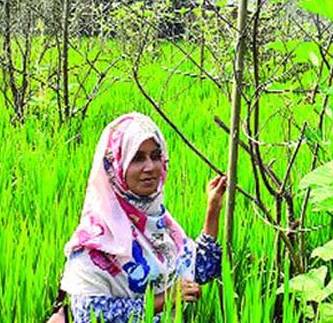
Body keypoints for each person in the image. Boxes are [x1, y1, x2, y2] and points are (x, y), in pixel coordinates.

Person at [48, 112, 227, 323]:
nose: (150, 167)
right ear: (115, 166)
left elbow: (201, 270)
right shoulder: (94, 241)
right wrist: (165, 299)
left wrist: (213, 209)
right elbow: (90, 316)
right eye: (137, 158)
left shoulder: (160, 223)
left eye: (155, 155)